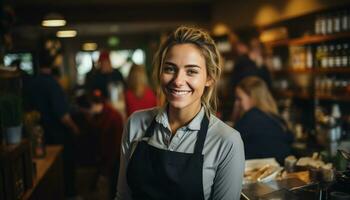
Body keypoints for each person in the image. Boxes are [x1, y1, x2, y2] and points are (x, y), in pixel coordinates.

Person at [116, 26, 245, 200]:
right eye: (170, 69)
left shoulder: (227, 141)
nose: (178, 81)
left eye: (191, 71)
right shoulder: (136, 123)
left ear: (209, 78)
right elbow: (123, 196)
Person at [26, 50, 80, 198]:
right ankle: (70, 195)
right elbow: (63, 115)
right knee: (65, 168)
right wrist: (75, 128)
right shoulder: (52, 84)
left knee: (45, 174)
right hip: (58, 134)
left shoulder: (32, 83)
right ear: (53, 64)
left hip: (38, 135)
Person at [233, 76, 294, 164]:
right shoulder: (276, 118)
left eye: (239, 99)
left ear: (252, 97)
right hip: (281, 170)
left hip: (256, 172)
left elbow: (231, 146)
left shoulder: (249, 118)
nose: (237, 103)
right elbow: (290, 139)